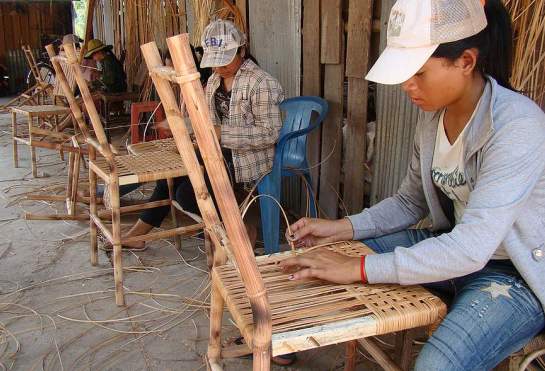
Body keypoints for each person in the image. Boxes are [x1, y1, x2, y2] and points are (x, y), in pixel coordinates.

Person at [280, 0, 545, 370]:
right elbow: (409, 203)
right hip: (453, 251)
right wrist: (339, 228)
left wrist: (356, 268)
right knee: (326, 260)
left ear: (466, 62)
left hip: (513, 275)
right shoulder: (432, 121)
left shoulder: (517, 127)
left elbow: (472, 247)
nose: (408, 86)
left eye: (419, 72)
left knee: (434, 366)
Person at [116, 19, 284, 252]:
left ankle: (241, 227)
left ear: (242, 50)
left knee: (187, 193)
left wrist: (218, 133)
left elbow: (269, 134)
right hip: (217, 149)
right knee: (169, 179)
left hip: (248, 156)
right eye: (215, 62)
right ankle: (139, 234)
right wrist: (182, 124)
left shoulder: (262, 83)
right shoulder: (215, 80)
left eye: (225, 60)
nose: (219, 68)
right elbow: (205, 120)